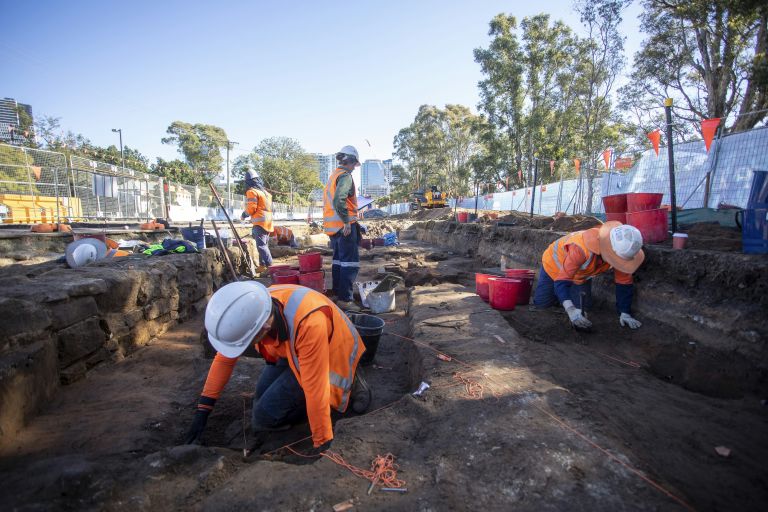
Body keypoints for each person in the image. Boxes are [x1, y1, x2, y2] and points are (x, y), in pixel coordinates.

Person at [185, 281, 372, 453]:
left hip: (333, 351)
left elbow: (316, 388)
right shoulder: (254, 306)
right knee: (259, 398)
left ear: (264, 329)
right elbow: (224, 359)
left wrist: (322, 441)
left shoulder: (309, 323)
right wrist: (203, 411)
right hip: (291, 351)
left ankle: (353, 380)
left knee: (263, 417)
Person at [533, 221, 645, 330]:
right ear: (610, 250)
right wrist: (571, 309)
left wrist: (625, 313)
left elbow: (624, 283)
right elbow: (562, 280)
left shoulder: (622, 254)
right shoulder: (581, 249)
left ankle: (563, 297)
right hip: (554, 267)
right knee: (542, 305)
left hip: (580, 277)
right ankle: (562, 297)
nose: (619, 261)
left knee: (584, 312)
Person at [323, 145, 361, 310]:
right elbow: (339, 200)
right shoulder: (345, 176)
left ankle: (338, 294)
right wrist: (346, 221)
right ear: (350, 161)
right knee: (349, 263)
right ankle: (346, 299)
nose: (354, 168)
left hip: (333, 229)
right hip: (344, 227)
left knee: (338, 261)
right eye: (354, 165)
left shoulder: (333, 176)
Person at [240, 167, 273, 272]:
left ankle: (270, 266)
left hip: (260, 223)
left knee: (261, 246)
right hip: (268, 223)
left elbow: (251, 208)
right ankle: (262, 266)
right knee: (264, 245)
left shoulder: (252, 192)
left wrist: (244, 214)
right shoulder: (266, 193)